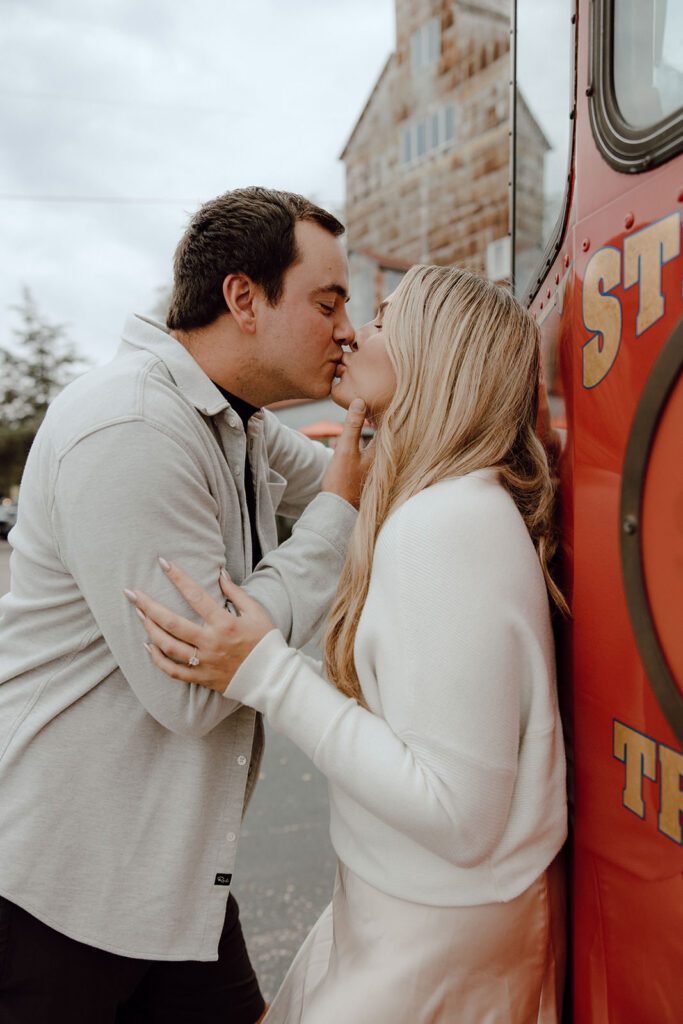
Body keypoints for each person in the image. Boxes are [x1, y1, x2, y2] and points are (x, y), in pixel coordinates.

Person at [131, 265, 569, 1023]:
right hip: (397, 905)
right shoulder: (441, 507)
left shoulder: (448, 526)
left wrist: (265, 671)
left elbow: (459, 815)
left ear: (436, 353)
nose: (354, 331)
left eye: (383, 317)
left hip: (434, 933)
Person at [0, 187, 372, 1023]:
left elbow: (363, 489)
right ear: (243, 299)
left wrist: (410, 406)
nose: (347, 330)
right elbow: (195, 689)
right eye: (328, 302)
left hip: (168, 886)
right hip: (58, 898)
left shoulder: (230, 419)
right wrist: (342, 505)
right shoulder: (133, 426)